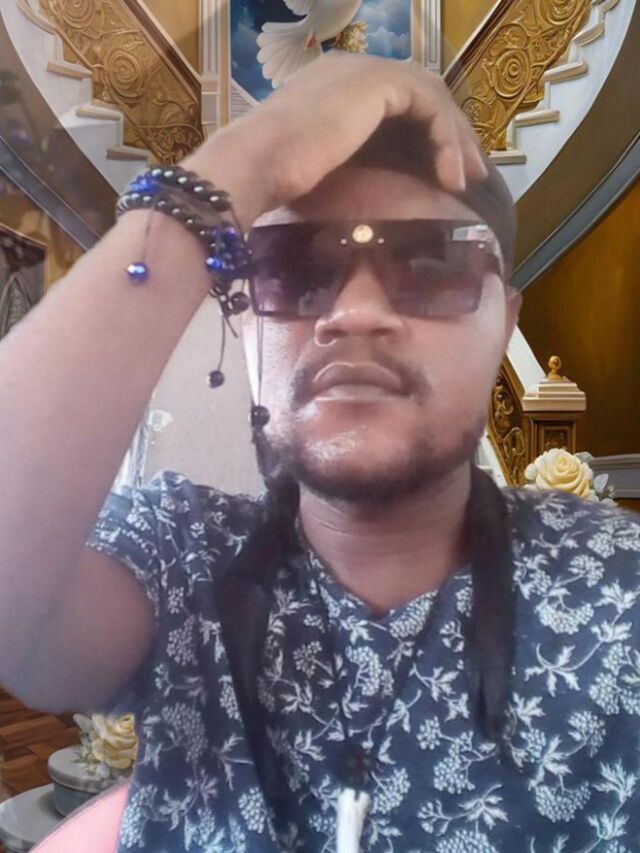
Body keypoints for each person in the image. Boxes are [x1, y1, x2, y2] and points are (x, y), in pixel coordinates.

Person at [0, 51, 639, 853]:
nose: (356, 312)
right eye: (295, 269)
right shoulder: (180, 558)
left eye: (432, 263)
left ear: (503, 323)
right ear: (248, 327)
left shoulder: (617, 590)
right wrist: (251, 155)